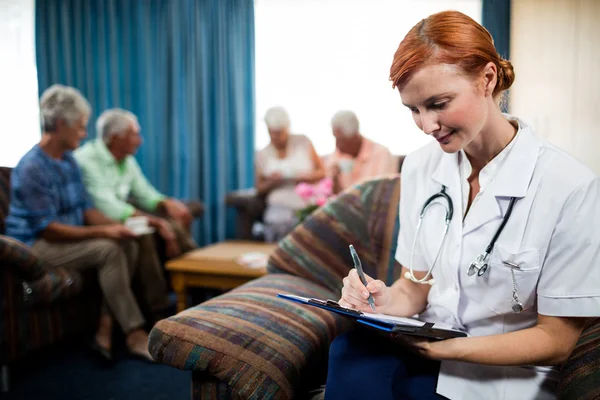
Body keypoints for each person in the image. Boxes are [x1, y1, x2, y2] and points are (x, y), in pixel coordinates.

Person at [326, 10, 599, 400]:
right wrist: (381, 298)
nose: (426, 125)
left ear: (487, 79)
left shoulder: (569, 187)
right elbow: (415, 287)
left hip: (499, 376)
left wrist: (450, 349)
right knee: (350, 352)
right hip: (426, 348)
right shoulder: (421, 165)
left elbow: (556, 340)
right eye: (414, 109)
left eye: (438, 103)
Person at [5, 85, 163, 362]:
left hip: (63, 240)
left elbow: (86, 209)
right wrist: (105, 231)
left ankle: (105, 328)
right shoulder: (32, 167)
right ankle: (134, 332)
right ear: (61, 124)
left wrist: (117, 228)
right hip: (32, 247)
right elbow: (48, 230)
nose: (85, 133)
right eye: (80, 127)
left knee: (126, 244)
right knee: (109, 249)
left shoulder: (68, 162)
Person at [74, 108, 197, 259]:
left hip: (120, 213)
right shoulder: (86, 160)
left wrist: (165, 203)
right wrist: (155, 222)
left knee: (174, 219)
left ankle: (192, 267)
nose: (140, 141)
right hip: (98, 218)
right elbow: (108, 206)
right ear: (114, 138)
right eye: (134, 134)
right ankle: (164, 280)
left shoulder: (127, 160)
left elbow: (144, 192)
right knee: (143, 235)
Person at [255, 106, 325, 242]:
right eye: (271, 133)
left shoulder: (303, 141)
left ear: (287, 128)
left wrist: (305, 177)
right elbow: (259, 188)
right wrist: (273, 182)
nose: (275, 137)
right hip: (279, 206)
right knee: (278, 225)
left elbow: (322, 172)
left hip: (306, 202)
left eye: (279, 133)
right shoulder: (262, 154)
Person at [324, 110, 397, 194]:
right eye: (335, 137)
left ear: (354, 136)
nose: (337, 144)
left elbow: (382, 192)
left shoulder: (381, 153)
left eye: (341, 139)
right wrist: (335, 181)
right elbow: (334, 198)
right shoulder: (336, 156)